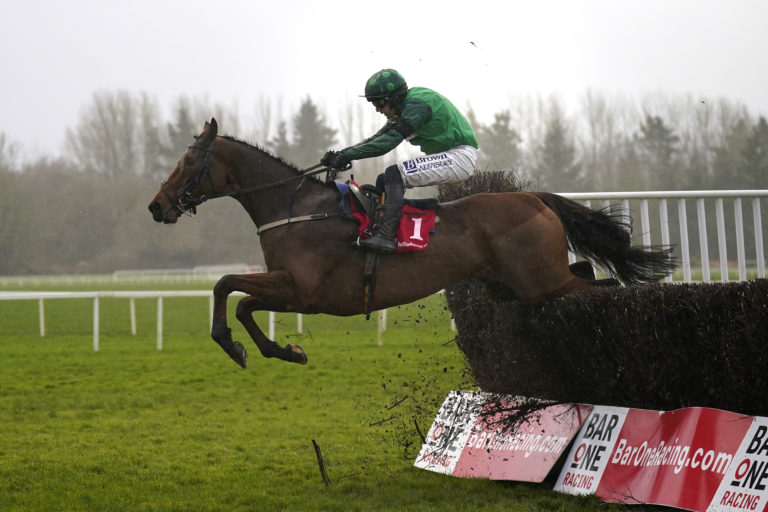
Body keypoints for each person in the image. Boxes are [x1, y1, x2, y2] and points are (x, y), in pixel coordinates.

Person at [321, 68, 479, 253]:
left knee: (394, 174)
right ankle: (374, 230)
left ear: (394, 98)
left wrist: (348, 156)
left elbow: (386, 144)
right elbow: (376, 139)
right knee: (383, 180)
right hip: (452, 155)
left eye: (379, 103)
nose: (377, 109)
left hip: (459, 157)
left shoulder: (417, 105)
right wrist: (341, 153)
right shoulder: (404, 108)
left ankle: (387, 236)